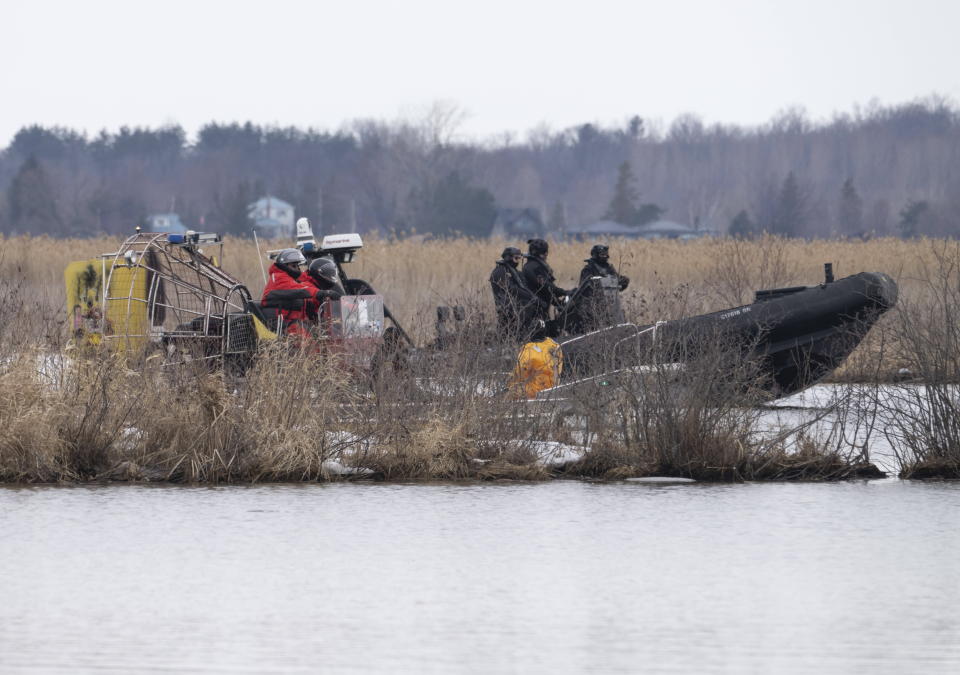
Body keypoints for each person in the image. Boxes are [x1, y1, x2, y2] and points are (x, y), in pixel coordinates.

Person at [261, 248, 324, 340]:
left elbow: (307, 281)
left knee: (319, 335)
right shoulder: (279, 277)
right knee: (308, 342)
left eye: (298, 266)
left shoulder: (290, 278)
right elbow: (301, 290)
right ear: (285, 265)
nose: (298, 269)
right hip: (280, 322)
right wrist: (320, 292)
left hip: (292, 321)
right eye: (294, 266)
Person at [572, 244, 630, 331]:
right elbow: (584, 287)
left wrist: (623, 281)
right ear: (595, 255)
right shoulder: (588, 269)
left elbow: (616, 280)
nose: (605, 256)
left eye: (605, 254)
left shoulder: (609, 268)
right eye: (602, 254)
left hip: (610, 304)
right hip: (593, 305)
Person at [489, 246, 541, 342]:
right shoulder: (500, 271)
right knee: (506, 337)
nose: (517, 261)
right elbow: (511, 289)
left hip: (518, 310)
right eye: (516, 258)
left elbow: (524, 287)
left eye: (519, 258)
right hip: (507, 310)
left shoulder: (514, 272)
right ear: (508, 258)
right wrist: (530, 297)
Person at [522, 238, 570, 322]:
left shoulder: (531, 265)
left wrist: (558, 302)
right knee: (543, 331)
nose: (546, 255)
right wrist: (563, 292)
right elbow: (546, 286)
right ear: (544, 253)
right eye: (545, 252)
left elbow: (547, 289)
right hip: (536, 308)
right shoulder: (535, 267)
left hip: (539, 305)